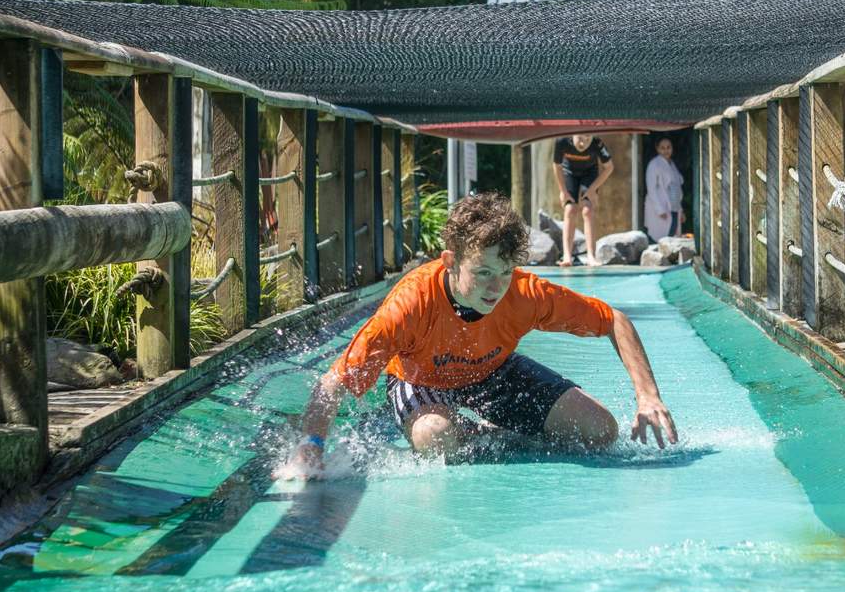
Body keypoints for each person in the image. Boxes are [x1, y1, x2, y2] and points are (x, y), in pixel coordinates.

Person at [273, 192, 678, 479]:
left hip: (494, 371)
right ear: (450, 261)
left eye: (504, 273)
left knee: (599, 431)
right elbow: (334, 381)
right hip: (420, 379)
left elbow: (614, 321)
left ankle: (494, 431)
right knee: (437, 439)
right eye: (483, 273)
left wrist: (647, 396)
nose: (495, 287)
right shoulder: (410, 305)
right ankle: (473, 432)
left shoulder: (523, 293)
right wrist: (310, 447)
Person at [553, 133, 614, 266]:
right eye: (580, 139)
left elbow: (609, 167)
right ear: (573, 135)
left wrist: (592, 189)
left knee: (587, 210)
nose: (583, 144)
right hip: (569, 172)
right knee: (570, 209)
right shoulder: (562, 140)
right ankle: (567, 256)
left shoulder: (597, 143)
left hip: (589, 173)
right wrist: (563, 191)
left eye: (587, 139)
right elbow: (557, 166)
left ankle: (591, 256)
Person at [644, 137, 684, 242]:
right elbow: (651, 188)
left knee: (672, 239)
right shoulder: (654, 164)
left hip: (674, 207)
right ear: (657, 149)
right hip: (662, 208)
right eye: (662, 148)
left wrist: (681, 210)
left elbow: (677, 188)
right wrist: (660, 209)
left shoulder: (672, 164)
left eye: (668, 147)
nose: (666, 150)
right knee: (662, 239)